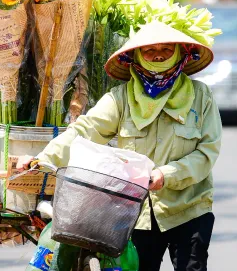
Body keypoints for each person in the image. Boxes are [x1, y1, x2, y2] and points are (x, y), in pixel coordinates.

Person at [17, 20, 222, 271]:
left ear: (180, 53)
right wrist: (43, 158)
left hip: (190, 208)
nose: (158, 55)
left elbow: (207, 152)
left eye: (167, 49)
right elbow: (85, 132)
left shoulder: (201, 96)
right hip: (136, 214)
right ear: (136, 57)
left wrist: (166, 175)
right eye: (149, 50)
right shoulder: (120, 98)